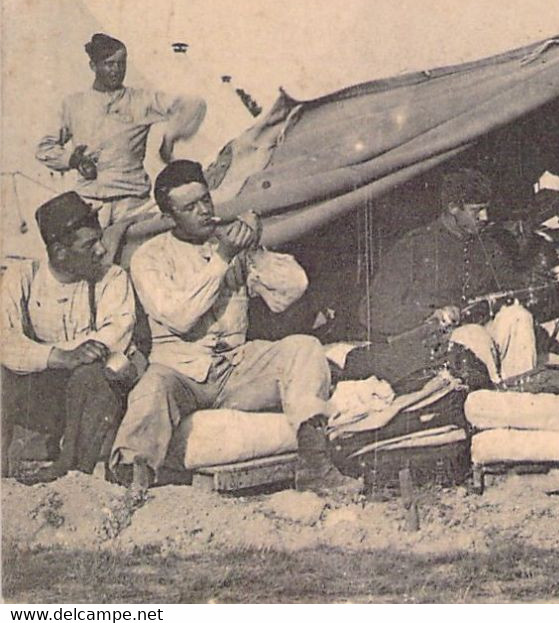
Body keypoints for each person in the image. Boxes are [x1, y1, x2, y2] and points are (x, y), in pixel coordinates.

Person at [111, 161, 338, 493]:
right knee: (152, 386)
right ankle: (132, 481)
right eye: (189, 207)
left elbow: (290, 291)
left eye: (206, 200)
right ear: (169, 217)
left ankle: (315, 466)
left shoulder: (229, 244)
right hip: (181, 374)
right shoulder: (150, 257)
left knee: (304, 348)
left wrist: (255, 249)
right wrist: (223, 258)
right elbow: (179, 316)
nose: (204, 211)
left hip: (236, 370)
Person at [348, 168, 537, 386]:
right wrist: (431, 314)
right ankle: (491, 401)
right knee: (471, 335)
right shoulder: (415, 246)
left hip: (477, 336)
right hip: (429, 346)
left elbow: (512, 286)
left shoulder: (488, 245)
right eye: (477, 210)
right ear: (453, 208)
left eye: (486, 209)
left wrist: (536, 284)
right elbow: (371, 311)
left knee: (518, 317)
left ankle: (522, 392)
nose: (485, 217)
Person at [2, 193, 140, 478]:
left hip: (92, 397)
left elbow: (115, 335)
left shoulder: (111, 278)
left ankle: (75, 474)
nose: (102, 251)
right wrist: (58, 357)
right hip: (43, 392)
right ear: (60, 251)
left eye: (100, 239)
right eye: (90, 244)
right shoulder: (23, 276)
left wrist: (62, 356)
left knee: (94, 374)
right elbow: (5, 339)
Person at [36, 33, 207, 226]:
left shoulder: (141, 100)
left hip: (132, 202)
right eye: (109, 64)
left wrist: (170, 138)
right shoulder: (74, 104)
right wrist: (72, 160)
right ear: (93, 66)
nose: (116, 70)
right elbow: (44, 148)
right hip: (89, 201)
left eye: (121, 63)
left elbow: (193, 104)